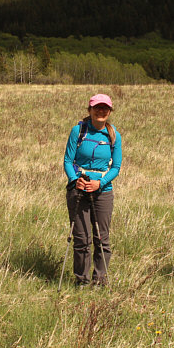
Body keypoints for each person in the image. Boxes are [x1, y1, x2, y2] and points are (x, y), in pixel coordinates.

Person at [63, 93, 122, 287]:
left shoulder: (114, 135)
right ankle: (81, 281)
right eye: (98, 107)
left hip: (103, 192)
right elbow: (68, 161)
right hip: (78, 191)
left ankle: (100, 281)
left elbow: (116, 168)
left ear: (110, 111)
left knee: (101, 239)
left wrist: (100, 183)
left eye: (105, 108)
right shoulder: (78, 131)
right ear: (89, 109)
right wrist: (75, 180)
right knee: (82, 239)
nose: (101, 111)